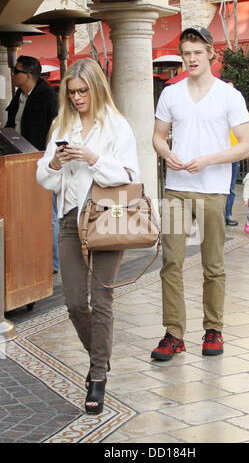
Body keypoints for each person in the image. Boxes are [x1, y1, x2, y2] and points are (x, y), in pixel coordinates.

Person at [36, 58, 139, 414]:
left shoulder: (117, 126)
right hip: (69, 220)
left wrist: (93, 158)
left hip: (108, 218)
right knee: (76, 302)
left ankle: (97, 377)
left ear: (97, 88)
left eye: (83, 91)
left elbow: (128, 176)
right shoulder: (62, 124)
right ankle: (101, 357)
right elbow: (43, 177)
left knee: (102, 299)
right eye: (72, 92)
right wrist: (56, 163)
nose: (77, 98)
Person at [151, 25, 249, 360]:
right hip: (176, 189)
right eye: (186, 53)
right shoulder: (171, 93)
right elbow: (157, 136)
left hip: (212, 190)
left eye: (197, 52)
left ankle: (214, 330)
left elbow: (247, 146)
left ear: (211, 52)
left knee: (213, 265)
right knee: (171, 263)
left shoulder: (229, 96)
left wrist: (210, 159)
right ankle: (173, 333)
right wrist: (167, 154)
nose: (191, 59)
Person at [5, 55, 59, 273]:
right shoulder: (18, 95)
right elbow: (12, 124)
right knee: (26, 211)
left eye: (16, 71)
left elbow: (54, 129)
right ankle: (33, 254)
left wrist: (48, 158)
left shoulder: (47, 97)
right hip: (18, 161)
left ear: (27, 75)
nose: (12, 74)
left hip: (41, 161)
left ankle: (54, 262)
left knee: (49, 211)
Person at [225, 111, 249, 227]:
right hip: (218, 151)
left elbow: (248, 123)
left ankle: (227, 215)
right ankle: (217, 216)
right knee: (216, 185)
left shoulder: (236, 103)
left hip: (233, 152)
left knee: (230, 187)